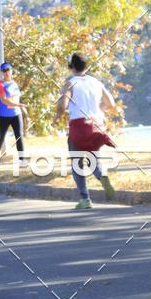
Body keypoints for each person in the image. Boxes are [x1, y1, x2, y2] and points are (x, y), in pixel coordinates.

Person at [56, 53, 116, 210]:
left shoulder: (70, 83)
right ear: (86, 67)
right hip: (96, 125)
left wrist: (57, 115)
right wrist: (98, 111)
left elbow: (63, 106)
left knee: (77, 163)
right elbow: (110, 103)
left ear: (71, 67)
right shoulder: (95, 82)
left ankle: (85, 199)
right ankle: (103, 178)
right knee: (94, 159)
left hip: (79, 126)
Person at [0, 62, 27, 166]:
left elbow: (17, 98)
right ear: (2, 73)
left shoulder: (14, 84)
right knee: (2, 137)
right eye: (4, 70)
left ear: (12, 71)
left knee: (19, 136)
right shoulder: (0, 85)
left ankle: (22, 159)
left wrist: (22, 109)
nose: (6, 72)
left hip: (16, 114)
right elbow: (4, 100)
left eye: (8, 70)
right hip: (4, 116)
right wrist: (18, 105)